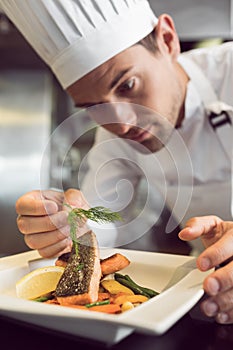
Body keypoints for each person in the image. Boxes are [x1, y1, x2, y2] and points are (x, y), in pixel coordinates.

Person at [1, 0, 233, 324]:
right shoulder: (114, 137)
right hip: (204, 294)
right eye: (94, 107)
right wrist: (66, 225)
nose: (122, 125)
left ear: (167, 39)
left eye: (128, 85)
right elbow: (102, 218)